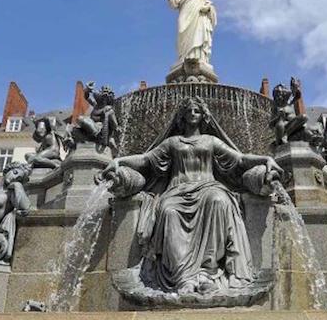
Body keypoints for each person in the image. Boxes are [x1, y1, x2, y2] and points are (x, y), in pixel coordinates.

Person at [97, 97, 283, 295]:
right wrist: (119, 161)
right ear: (182, 116)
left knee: (219, 201)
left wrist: (266, 158)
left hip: (208, 187)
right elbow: (144, 159)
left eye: (197, 111)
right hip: (177, 191)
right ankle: (183, 278)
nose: (193, 114)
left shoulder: (211, 141)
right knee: (168, 211)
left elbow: (241, 158)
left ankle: (207, 273)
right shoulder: (172, 142)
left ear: (203, 115)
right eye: (189, 111)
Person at [164, 0, 217, 64]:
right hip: (185, 17)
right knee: (182, 34)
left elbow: (212, 12)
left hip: (199, 19)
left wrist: (208, 9)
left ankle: (199, 59)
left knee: (198, 36)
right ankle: (183, 58)